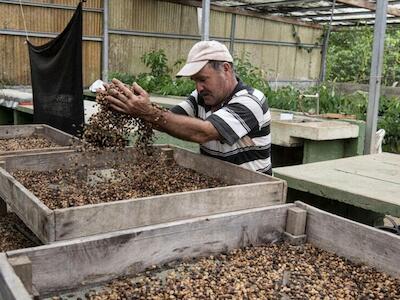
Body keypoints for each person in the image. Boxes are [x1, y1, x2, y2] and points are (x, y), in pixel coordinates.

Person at [105, 40, 272, 175]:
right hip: (216, 183)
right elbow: (166, 119)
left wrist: (148, 111)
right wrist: (129, 104)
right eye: (195, 81)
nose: (199, 87)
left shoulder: (251, 100)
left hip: (253, 189)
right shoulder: (201, 97)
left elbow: (204, 132)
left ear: (226, 69)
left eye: (203, 79)